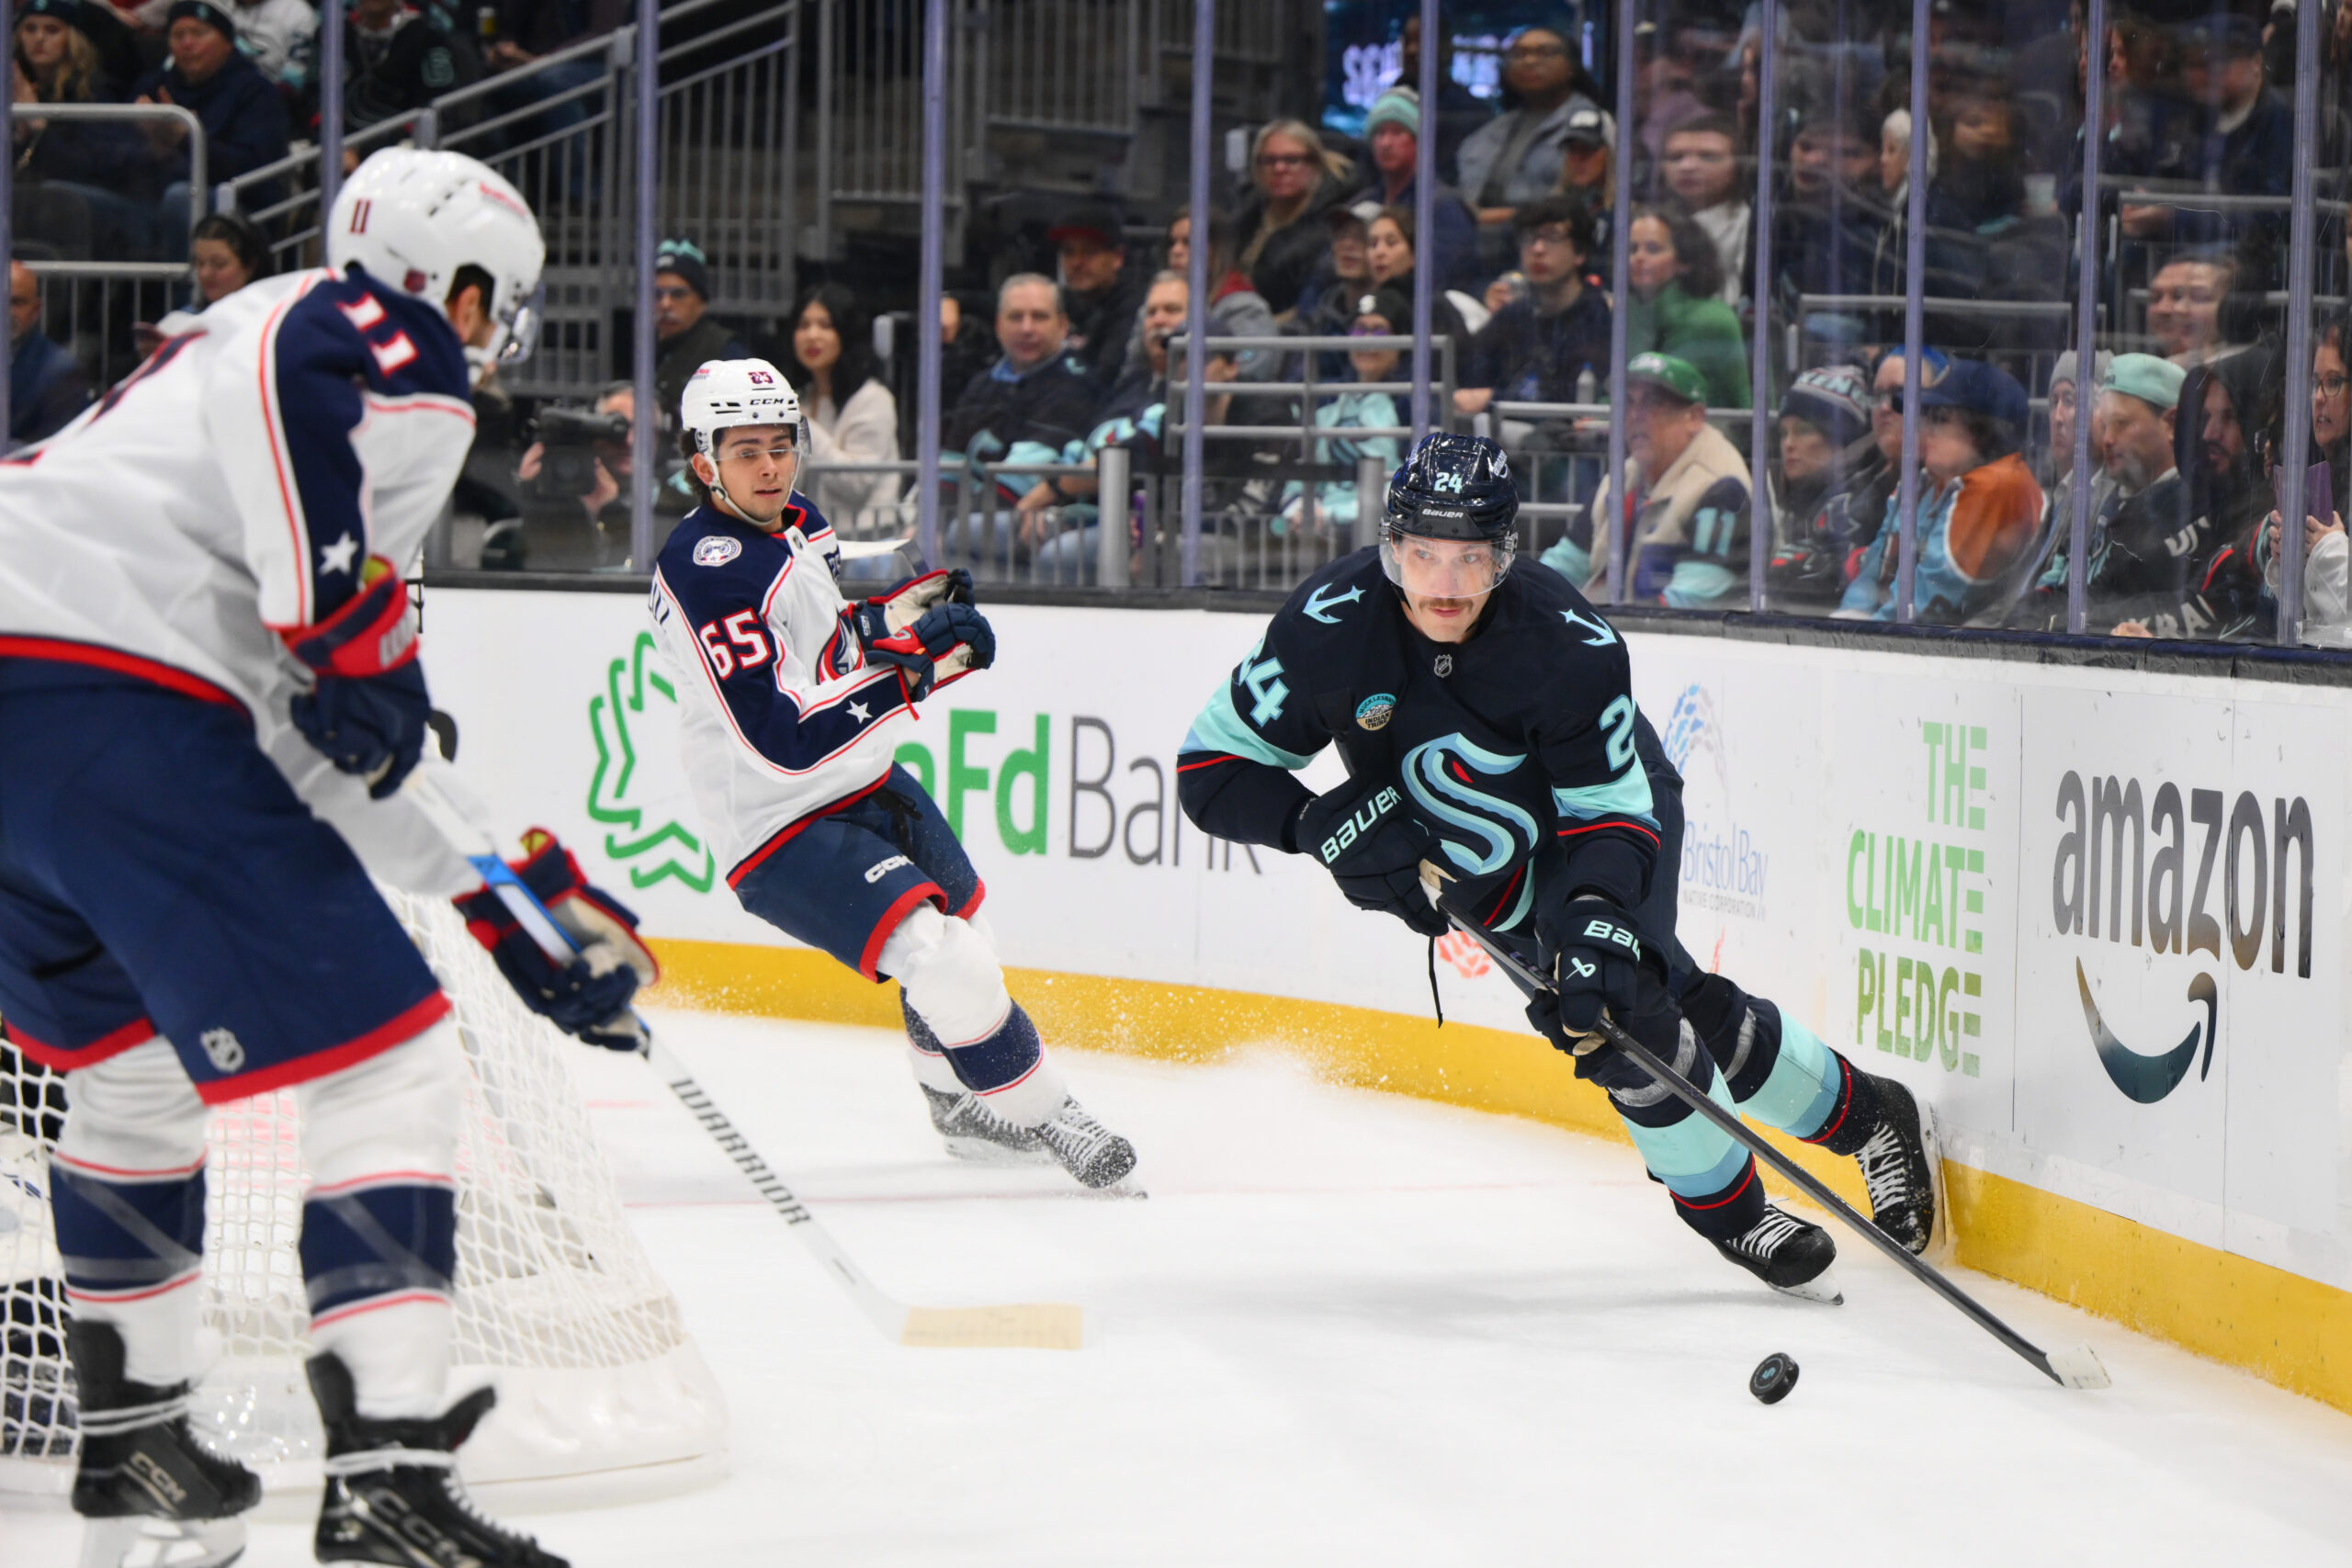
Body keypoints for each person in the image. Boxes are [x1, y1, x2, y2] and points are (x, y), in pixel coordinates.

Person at [0, 148, 623, 1568]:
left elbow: (317, 744)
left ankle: (136, 1443)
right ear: (458, 284)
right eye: (494, 301)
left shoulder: (197, 446)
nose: (491, 330)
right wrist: (339, 612)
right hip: (111, 704)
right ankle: (388, 1473)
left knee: (131, 1069)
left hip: (38, 721)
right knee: (386, 1065)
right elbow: (295, 390)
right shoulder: (355, 330)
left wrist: (505, 899)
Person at [1177, 431, 1940, 1305]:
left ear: (1505, 552)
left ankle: (1732, 1214)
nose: (1445, 584)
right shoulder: (1326, 627)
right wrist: (1314, 822)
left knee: (1615, 1001)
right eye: (1423, 553)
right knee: (1668, 1001)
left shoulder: (1565, 640)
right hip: (1481, 855)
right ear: (1391, 546)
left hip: (1608, 816)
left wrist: (1594, 911)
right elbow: (1209, 770)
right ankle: (1868, 1114)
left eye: (1470, 557)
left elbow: (1611, 812)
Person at [650, 359, 1138, 1188]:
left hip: (861, 779)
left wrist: (897, 618)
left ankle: (958, 1105)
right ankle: (1056, 1117)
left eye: (781, 446)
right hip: (778, 825)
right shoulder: (706, 571)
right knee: (946, 962)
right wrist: (917, 672)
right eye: (745, 452)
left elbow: (822, 646)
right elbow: (781, 739)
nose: (770, 467)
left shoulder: (795, 521)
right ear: (705, 464)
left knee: (970, 929)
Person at [1840, 357, 2041, 625]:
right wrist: (1846, 619)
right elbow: (1873, 573)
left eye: (1940, 419)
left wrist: (1850, 643)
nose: (1926, 428)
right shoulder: (1928, 481)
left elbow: (1922, 606)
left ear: (1984, 431)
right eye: (1926, 416)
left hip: (1971, 655)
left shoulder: (1999, 486)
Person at [1553, 352, 1751, 608]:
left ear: (1694, 417)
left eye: (1652, 403)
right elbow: (1562, 567)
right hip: (1628, 633)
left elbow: (1690, 607)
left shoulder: (1722, 488)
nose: (1635, 415)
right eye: (1628, 402)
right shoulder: (1621, 479)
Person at [131, 1, 290, 249]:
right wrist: (150, 150)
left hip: (237, 211)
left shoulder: (256, 93)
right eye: (178, 35)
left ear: (228, 43)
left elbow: (253, 170)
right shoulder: (152, 88)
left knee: (181, 198)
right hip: (149, 203)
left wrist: (185, 139)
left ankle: (186, 289)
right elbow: (107, 150)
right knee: (73, 198)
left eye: (199, 33)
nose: (187, 43)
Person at [10, 0, 156, 257]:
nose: (39, 38)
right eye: (30, 29)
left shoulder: (93, 91)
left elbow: (90, 167)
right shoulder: (11, 92)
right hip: (31, 202)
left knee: (54, 198)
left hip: (98, 204)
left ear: (72, 37)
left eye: (51, 30)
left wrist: (37, 125)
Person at [1453, 196, 1610, 416]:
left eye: (1552, 237)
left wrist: (1493, 400)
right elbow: (1470, 376)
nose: (1537, 249)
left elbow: (1571, 399)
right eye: (1530, 238)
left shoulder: (1596, 318)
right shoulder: (1512, 316)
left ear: (1580, 252)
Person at [1274, 287, 1407, 540]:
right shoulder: (1327, 400)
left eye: (1378, 331)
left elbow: (1414, 483)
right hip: (1317, 528)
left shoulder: (1411, 404)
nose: (1366, 341)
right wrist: (1302, 508)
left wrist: (1346, 514)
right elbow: (1302, 475)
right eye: (1360, 329)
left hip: (1383, 533)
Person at [1457, 26, 1605, 243]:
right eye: (1519, 54)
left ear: (1571, 67)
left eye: (1545, 53)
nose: (1530, 61)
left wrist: (1501, 217)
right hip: (1475, 245)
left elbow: (1578, 205)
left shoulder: (1589, 125)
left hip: (1549, 245)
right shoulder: (1489, 131)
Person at [787, 282, 900, 533]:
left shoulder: (874, 398)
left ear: (847, 333)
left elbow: (856, 484)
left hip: (864, 545)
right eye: (803, 325)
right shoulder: (803, 398)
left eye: (825, 325)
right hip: (810, 542)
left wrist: (802, 424)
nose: (812, 335)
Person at [1761, 363, 1875, 611]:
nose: (1788, 444)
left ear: (1841, 439)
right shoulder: (1797, 499)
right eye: (1784, 432)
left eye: (1803, 431)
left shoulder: (1854, 507)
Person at [1353, 85, 1479, 294]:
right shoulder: (1362, 203)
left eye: (1398, 133)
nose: (1386, 143)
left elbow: (1441, 281)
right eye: (1380, 133)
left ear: (1420, 140)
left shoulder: (1442, 206)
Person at [1623, 204, 1749, 410]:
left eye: (1653, 249)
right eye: (1632, 249)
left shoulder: (1708, 320)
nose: (1638, 258)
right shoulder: (1632, 312)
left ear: (1685, 261)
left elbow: (1665, 398)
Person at [1234, 119, 1353, 319]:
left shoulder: (1334, 222)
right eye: (1269, 161)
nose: (1280, 168)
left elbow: (1316, 302)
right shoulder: (1246, 216)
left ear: (1314, 164)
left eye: (1291, 160)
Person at [650, 237, 752, 434]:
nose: (665, 304)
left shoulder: (727, 352)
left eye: (678, 294)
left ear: (701, 301)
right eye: (656, 294)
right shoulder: (641, 348)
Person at [1048, 203, 1148, 389]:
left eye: (1089, 251)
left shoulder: (1134, 309)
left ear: (1118, 257)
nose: (1077, 262)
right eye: (1068, 252)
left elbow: (1103, 379)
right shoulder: (1055, 304)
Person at [344, 0, 481, 133]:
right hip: (343, 136)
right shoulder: (337, 34)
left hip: (402, 138)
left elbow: (438, 101)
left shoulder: (427, 36)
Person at [1659, 114, 1748, 305]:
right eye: (1676, 157)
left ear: (1738, 167)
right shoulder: (1648, 222)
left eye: (1709, 156)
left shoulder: (1750, 224)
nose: (1687, 166)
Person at [7, 258, 88, 447]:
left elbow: (56, 451)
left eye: (16, 302)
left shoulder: (61, 372)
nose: (5, 312)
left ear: (36, 310)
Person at [230, 0, 317, 97]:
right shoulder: (219, 4)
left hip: (269, 97)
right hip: (221, 88)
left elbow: (292, 82)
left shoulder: (298, 11)